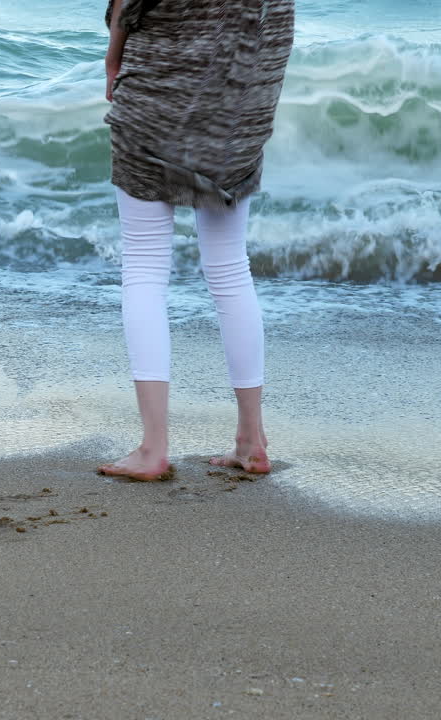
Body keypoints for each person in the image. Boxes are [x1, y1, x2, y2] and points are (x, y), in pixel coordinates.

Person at [96, 0, 295, 481]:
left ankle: (153, 448)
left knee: (145, 267)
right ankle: (251, 440)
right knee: (230, 268)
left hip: (159, 88)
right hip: (241, 102)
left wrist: (113, 55)